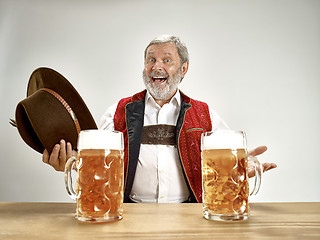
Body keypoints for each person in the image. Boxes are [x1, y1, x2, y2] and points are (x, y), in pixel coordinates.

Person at [43, 35, 277, 203]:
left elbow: (224, 167)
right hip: (129, 215)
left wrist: (238, 171)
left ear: (183, 69)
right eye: (150, 60)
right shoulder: (117, 111)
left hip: (190, 216)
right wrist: (71, 166)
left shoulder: (206, 114)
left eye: (166, 60)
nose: (157, 67)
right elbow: (98, 169)